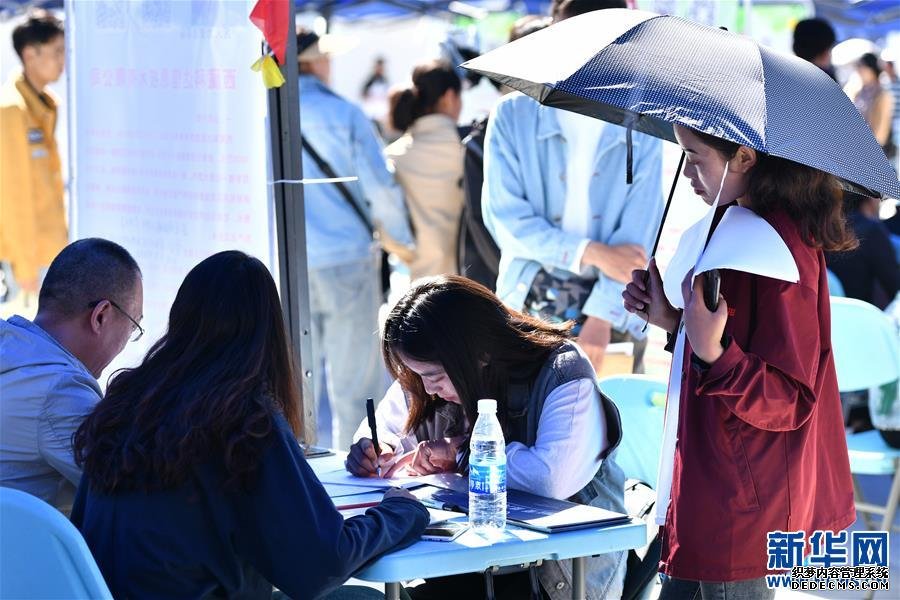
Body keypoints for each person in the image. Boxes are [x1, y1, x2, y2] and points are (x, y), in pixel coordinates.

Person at [71, 251, 429, 599]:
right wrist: (399, 512)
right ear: (269, 331)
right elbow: (318, 566)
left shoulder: (125, 404)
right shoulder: (241, 416)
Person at [623, 124, 856, 598]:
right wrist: (674, 322)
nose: (688, 171)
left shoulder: (779, 246)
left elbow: (790, 398)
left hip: (746, 502)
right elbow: (728, 340)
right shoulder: (737, 222)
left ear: (746, 157)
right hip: (711, 484)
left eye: (697, 156)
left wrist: (713, 351)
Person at [346, 275, 627, 600]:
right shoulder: (432, 376)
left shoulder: (562, 371)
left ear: (478, 354)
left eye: (434, 376)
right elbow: (385, 427)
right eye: (419, 377)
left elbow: (549, 478)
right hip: (468, 568)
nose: (426, 389)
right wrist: (372, 446)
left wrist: (462, 454)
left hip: (554, 580)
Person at [482, 0, 664, 375]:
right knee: (524, 425)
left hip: (617, 306)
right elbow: (507, 223)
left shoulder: (643, 123)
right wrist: (591, 252)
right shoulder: (512, 114)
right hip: (527, 301)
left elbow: (638, 237)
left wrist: (601, 317)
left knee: (615, 428)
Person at [297, 28, 415, 448]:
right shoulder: (343, 113)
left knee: (296, 377)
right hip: (347, 257)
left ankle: (301, 464)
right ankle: (355, 467)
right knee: (354, 381)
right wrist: (403, 243)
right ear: (313, 62)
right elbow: (379, 189)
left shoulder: (266, 111)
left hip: (288, 262)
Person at [0, 238, 142, 512]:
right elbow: (132, 495)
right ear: (101, 316)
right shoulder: (60, 392)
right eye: (133, 327)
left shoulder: (12, 349)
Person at [458, 16, 550, 290]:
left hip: (550, 291)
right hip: (508, 292)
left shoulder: (569, 127)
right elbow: (484, 225)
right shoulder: (483, 138)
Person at [0, 11, 66, 301]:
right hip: (28, 263)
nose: (63, 59)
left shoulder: (45, 104)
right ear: (30, 54)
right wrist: (24, 267)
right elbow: (12, 197)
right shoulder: (12, 110)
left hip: (51, 254)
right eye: (57, 51)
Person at [385, 61, 464, 280]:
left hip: (422, 280)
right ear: (449, 97)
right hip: (475, 280)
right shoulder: (470, 145)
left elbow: (385, 222)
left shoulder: (394, 155)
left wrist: (413, 256)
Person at [826, 192, 900, 309]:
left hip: (828, 316)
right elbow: (894, 286)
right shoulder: (872, 231)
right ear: (870, 196)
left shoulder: (827, 226)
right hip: (861, 317)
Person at [846, 53, 896, 155]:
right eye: (858, 66)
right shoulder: (857, 91)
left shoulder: (883, 94)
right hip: (857, 147)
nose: (859, 70)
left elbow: (881, 134)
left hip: (874, 152)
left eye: (862, 66)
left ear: (872, 68)